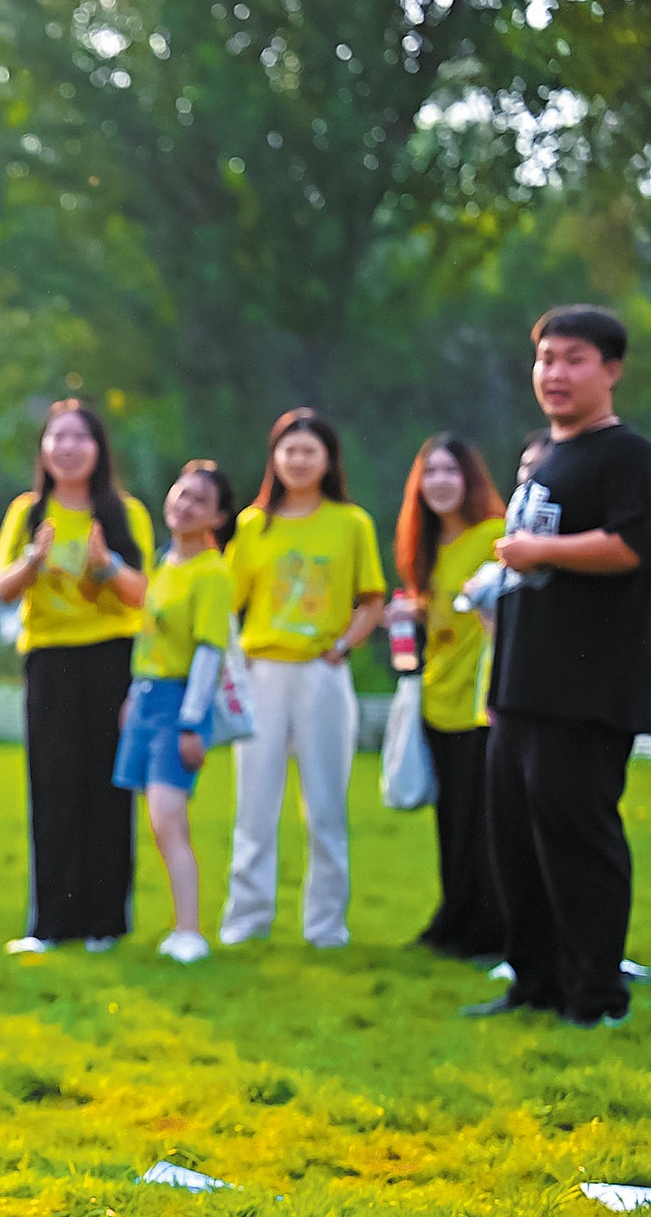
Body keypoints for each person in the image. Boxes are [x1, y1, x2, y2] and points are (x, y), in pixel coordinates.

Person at [467, 306, 651, 1028]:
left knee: (580, 843)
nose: (555, 373)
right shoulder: (545, 453)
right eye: (545, 359)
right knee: (516, 842)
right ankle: (535, 983)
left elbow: (631, 547)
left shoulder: (626, 455)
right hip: (519, 684)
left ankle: (596, 996)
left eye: (573, 359)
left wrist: (541, 551)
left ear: (611, 369)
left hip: (583, 689)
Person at [220, 409, 385, 950]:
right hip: (262, 670)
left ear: (328, 459)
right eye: (288, 450)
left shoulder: (351, 522)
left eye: (309, 451)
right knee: (254, 804)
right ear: (274, 458)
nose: (297, 460)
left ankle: (326, 926)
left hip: (322, 672)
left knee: (327, 806)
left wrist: (341, 646)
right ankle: (246, 920)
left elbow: (371, 601)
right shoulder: (252, 525)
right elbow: (226, 603)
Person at [0, 400, 153, 951]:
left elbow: (145, 595)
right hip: (48, 661)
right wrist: (34, 560)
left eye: (79, 438)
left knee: (108, 788)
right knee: (53, 788)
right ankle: (52, 925)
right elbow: (2, 588)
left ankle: (105, 922)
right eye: (57, 437)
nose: (67, 447)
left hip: (111, 656)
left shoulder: (123, 512)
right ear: (43, 449)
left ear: (98, 450)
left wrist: (106, 565)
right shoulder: (27, 512)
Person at [114, 463, 237, 963]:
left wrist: (190, 723)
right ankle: (177, 924)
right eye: (181, 494)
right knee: (158, 819)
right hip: (145, 697)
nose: (184, 506)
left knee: (169, 817)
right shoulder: (166, 564)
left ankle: (190, 930)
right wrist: (131, 695)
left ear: (218, 516)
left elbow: (210, 651)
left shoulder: (212, 572)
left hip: (179, 703)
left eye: (199, 501)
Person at [393, 434, 508, 962]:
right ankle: (454, 919)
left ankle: (488, 929)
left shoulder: (494, 536)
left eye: (449, 471)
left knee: (482, 822)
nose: (439, 482)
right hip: (436, 700)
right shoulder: (423, 548)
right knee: (450, 820)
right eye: (430, 472)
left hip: (480, 702)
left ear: (470, 480)